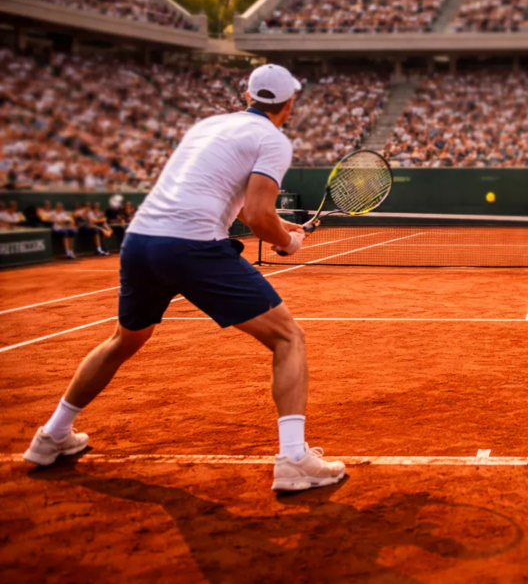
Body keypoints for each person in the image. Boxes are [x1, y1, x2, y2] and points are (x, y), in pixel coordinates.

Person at [22, 64, 347, 494]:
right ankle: (293, 460)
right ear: (290, 104)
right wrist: (286, 243)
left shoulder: (208, 126)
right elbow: (256, 215)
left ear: (247, 96)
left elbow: (229, 200)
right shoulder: (272, 139)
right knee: (288, 338)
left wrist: (286, 227)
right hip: (192, 246)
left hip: (141, 241)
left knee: (125, 340)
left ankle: (51, 436)